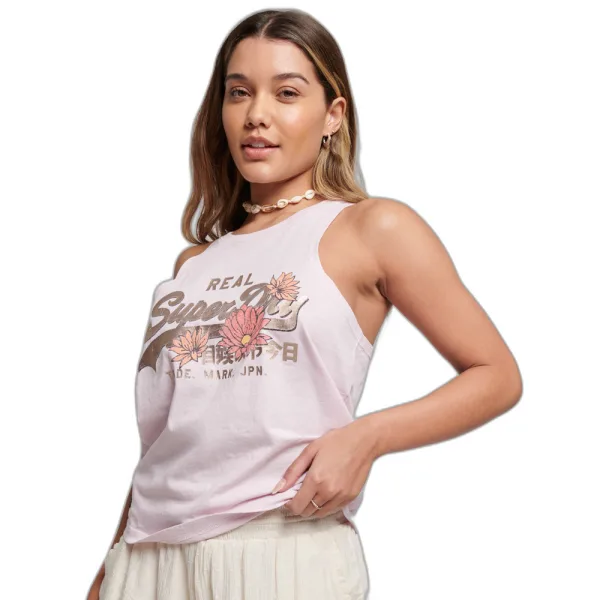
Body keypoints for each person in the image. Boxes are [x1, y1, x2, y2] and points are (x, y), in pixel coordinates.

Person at [87, 8, 523, 600]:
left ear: (332, 115)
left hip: (280, 547)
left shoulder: (372, 229)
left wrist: (368, 437)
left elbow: (496, 374)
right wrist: (111, 564)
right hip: (146, 560)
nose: (256, 114)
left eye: (286, 92)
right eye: (239, 92)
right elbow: (166, 440)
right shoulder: (192, 265)